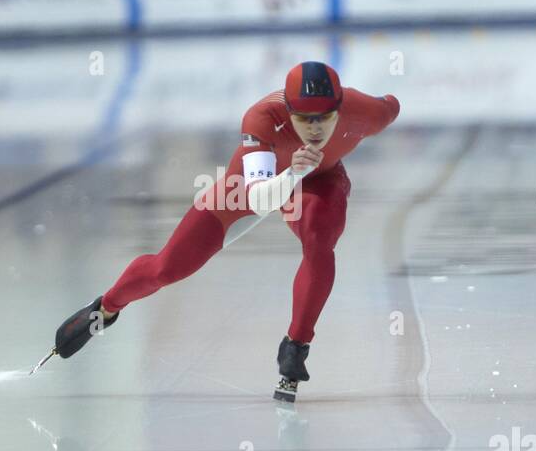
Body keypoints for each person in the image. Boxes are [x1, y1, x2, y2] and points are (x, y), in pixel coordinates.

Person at [41, 62, 401, 402]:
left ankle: (295, 348)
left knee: (319, 244)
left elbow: (391, 105)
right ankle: (105, 308)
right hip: (248, 186)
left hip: (320, 181)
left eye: (325, 118)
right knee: (169, 268)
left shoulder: (367, 113)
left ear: (340, 108)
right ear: (289, 113)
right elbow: (259, 199)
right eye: (305, 120)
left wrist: (303, 173)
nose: (316, 129)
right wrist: (291, 173)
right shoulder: (262, 118)